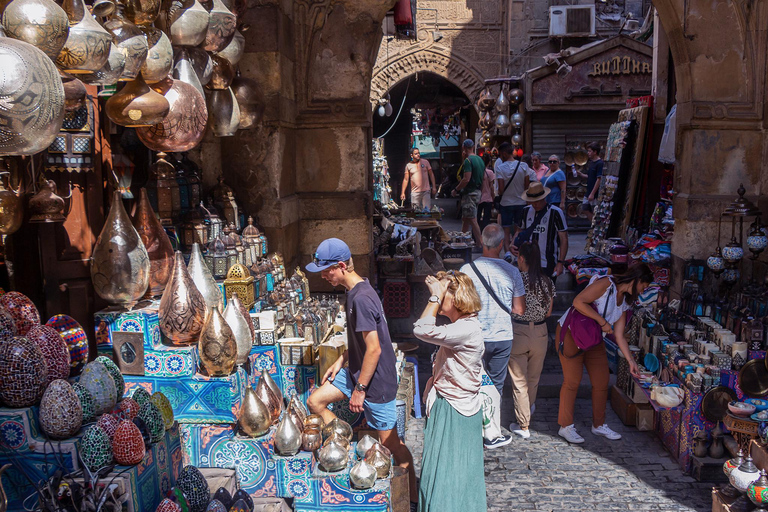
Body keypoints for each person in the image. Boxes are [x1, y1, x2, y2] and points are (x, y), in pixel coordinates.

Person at [305, 238, 417, 509]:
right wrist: (341, 361)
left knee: (391, 445)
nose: (323, 275)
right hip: (356, 371)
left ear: (342, 266)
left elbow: (375, 349)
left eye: (327, 269)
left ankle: (411, 497)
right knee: (315, 401)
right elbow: (360, 340)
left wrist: (360, 389)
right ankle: (341, 447)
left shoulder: (363, 297)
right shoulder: (354, 289)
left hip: (374, 382)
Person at [413, 271, 486, 512]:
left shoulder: (466, 329)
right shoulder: (461, 326)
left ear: (455, 298)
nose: (436, 298)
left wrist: (435, 297)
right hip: (450, 405)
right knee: (445, 469)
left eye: (444, 295)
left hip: (456, 410)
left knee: (450, 472)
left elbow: (421, 330)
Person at [556, 264, 653, 444]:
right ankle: (565, 426)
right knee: (572, 382)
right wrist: (601, 322)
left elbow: (619, 335)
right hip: (572, 333)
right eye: (644, 286)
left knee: (602, 380)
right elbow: (578, 301)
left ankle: (598, 425)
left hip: (593, 338)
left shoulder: (624, 301)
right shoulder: (606, 284)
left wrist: (631, 361)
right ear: (638, 280)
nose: (644, 290)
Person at [460, 224, 525, 448]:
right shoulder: (512, 271)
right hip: (501, 335)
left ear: (482, 243)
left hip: (473, 335)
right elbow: (519, 310)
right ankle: (491, 432)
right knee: (496, 385)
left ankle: (469, 427)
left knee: (470, 381)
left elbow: (459, 305)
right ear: (500, 245)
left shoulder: (466, 271)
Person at [507, 242, 555, 439]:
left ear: (521, 258)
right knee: (533, 378)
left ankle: (523, 424)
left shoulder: (515, 280)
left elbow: (511, 306)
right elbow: (550, 311)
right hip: (541, 332)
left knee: (519, 380)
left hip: (519, 331)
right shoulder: (547, 282)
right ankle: (528, 409)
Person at [512, 182, 569, 284]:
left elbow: (564, 239)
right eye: (532, 201)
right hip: (526, 262)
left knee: (547, 294)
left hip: (547, 263)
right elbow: (519, 231)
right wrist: (513, 244)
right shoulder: (525, 211)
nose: (535, 204)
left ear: (544, 198)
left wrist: (561, 262)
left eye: (537, 201)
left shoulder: (556, 212)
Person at [495, 142, 535, 254]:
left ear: (503, 153)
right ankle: (519, 254)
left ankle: (507, 253)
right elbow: (527, 186)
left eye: (500, 154)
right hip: (521, 203)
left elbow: (501, 190)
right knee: (519, 230)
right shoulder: (523, 166)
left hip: (506, 203)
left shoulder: (500, 168)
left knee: (506, 230)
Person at [451, 139, 484, 248]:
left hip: (470, 193)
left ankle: (480, 244)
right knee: (466, 218)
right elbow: (483, 178)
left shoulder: (468, 161)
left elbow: (466, 179)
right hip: (477, 191)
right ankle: (461, 241)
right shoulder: (480, 159)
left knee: (472, 219)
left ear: (464, 148)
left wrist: (456, 189)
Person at [576, 142, 603, 221]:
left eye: (590, 151)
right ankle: (593, 224)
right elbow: (590, 177)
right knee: (584, 208)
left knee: (595, 210)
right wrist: (581, 174)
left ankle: (595, 227)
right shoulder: (591, 163)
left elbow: (599, 179)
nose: (588, 153)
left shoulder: (599, 163)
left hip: (594, 193)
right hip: (589, 191)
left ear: (595, 152)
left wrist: (592, 193)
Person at [477, 153, 496, 231]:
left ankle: (476, 235)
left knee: (477, 218)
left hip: (478, 198)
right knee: (486, 219)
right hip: (488, 198)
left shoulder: (478, 172)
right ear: (489, 162)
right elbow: (491, 187)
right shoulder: (490, 173)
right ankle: (484, 234)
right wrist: (493, 197)